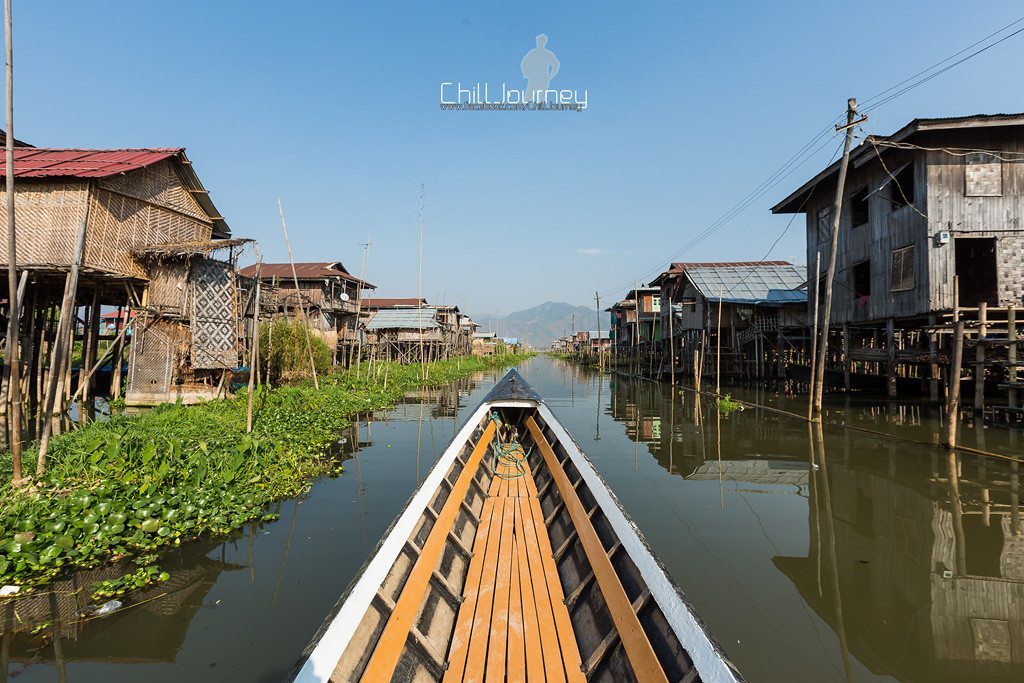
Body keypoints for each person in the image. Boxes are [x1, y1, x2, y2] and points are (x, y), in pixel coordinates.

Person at [521, 34, 559, 103]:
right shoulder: (534, 53)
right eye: (538, 41)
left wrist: (550, 76)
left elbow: (556, 65)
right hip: (535, 78)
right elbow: (524, 64)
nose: (538, 42)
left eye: (540, 41)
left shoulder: (544, 53)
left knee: (539, 99)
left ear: (544, 42)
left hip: (542, 78)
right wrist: (527, 74)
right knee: (528, 98)